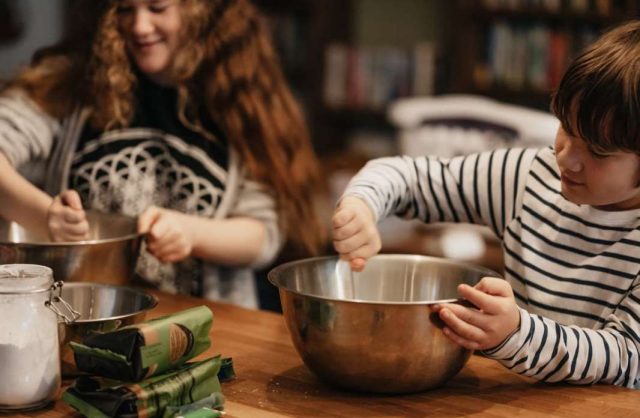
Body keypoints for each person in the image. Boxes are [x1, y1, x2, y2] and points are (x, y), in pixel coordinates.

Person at [332, 21, 640, 388]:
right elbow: (406, 176)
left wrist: (516, 333)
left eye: (598, 152)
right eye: (566, 129)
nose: (567, 159)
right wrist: (362, 205)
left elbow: (626, 357)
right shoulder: (528, 177)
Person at [0, 0, 324, 308]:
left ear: (201, 9)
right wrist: (45, 216)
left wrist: (192, 233)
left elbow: (263, 235)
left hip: (203, 326)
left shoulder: (241, 97)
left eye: (158, 7)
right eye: (125, 9)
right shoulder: (69, 83)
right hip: (77, 312)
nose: (139, 27)